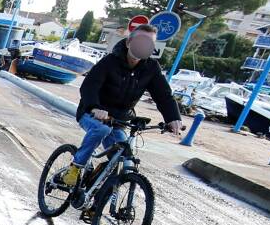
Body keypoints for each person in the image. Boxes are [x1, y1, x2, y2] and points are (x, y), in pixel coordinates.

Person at [62, 24, 183, 190]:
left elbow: (163, 95)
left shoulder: (151, 68)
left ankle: (97, 201)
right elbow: (89, 86)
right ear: (128, 43)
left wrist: (173, 118)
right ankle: (76, 167)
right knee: (101, 130)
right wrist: (95, 107)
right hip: (92, 113)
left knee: (123, 157)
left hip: (119, 119)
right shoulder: (110, 61)